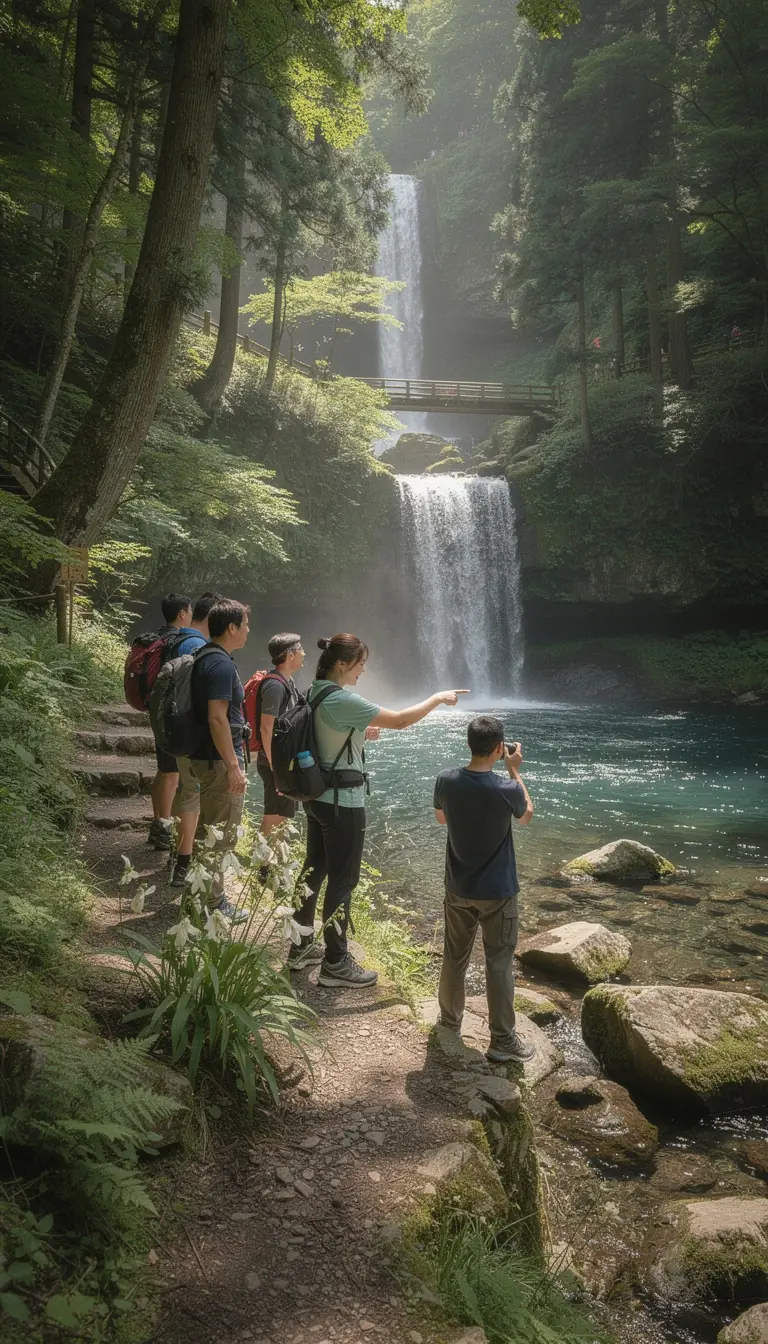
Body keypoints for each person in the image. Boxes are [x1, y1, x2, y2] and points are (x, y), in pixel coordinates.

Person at [291, 632, 468, 985]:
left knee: (314, 869)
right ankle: (336, 963)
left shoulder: (314, 691)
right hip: (343, 803)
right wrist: (437, 697)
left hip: (317, 797)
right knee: (343, 881)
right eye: (360, 664)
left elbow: (328, 734)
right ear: (342, 664)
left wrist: (360, 731)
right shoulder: (343, 698)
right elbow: (401, 720)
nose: (363, 670)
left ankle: (300, 945)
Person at [433, 715, 535, 1064]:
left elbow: (441, 818)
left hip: (458, 886)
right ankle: (502, 1041)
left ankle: (449, 1022)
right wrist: (514, 770)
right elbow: (526, 816)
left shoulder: (446, 780)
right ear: (499, 748)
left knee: (454, 956)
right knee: (499, 963)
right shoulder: (507, 788)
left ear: (468, 744)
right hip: (498, 892)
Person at [186, 598, 251, 922]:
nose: (249, 630)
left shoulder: (204, 657)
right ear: (232, 628)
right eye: (246, 624)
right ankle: (212, 904)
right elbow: (217, 718)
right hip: (218, 761)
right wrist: (234, 768)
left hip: (205, 757)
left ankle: (197, 896)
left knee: (208, 831)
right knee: (220, 835)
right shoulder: (221, 665)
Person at [169, 591, 221, 886]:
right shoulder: (198, 646)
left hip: (176, 728)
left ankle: (177, 854)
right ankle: (184, 862)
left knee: (184, 790)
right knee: (192, 794)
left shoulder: (177, 638)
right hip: (192, 733)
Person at [148, 593, 196, 851]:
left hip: (156, 708)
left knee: (162, 771)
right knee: (171, 773)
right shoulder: (180, 642)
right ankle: (164, 829)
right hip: (170, 713)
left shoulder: (158, 637)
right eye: (189, 611)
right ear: (182, 613)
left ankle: (158, 822)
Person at [255, 633, 305, 837]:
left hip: (283, 762)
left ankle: (272, 855)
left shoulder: (288, 682)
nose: (304, 653)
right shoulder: (274, 686)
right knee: (275, 816)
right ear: (290, 654)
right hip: (275, 763)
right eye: (300, 649)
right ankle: (262, 857)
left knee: (282, 816)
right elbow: (266, 728)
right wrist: (275, 768)